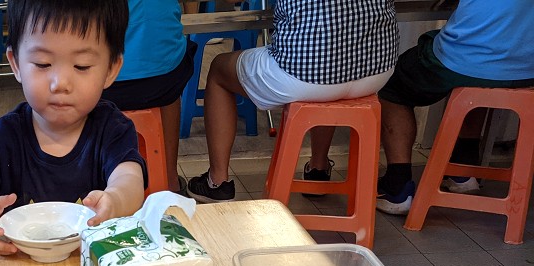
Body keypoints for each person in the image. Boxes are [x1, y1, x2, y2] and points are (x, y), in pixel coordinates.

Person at [0, 0, 146, 256]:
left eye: (81, 66)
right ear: (16, 63)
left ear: (111, 69)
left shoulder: (113, 130)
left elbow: (129, 180)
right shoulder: (0, 138)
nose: (60, 83)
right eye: (42, 64)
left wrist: (116, 200)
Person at [187, 0, 398, 203]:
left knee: (218, 70)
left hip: (305, 73)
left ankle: (217, 181)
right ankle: (318, 168)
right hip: (376, 70)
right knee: (330, 74)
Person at [375, 0, 534, 215]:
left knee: (391, 84)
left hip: (467, 57)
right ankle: (464, 170)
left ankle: (397, 187)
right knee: (482, 80)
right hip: (526, 68)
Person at [99, 0, 196, 194]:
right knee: (171, 74)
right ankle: (169, 181)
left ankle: (92, 179)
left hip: (102, 82)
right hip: (163, 82)